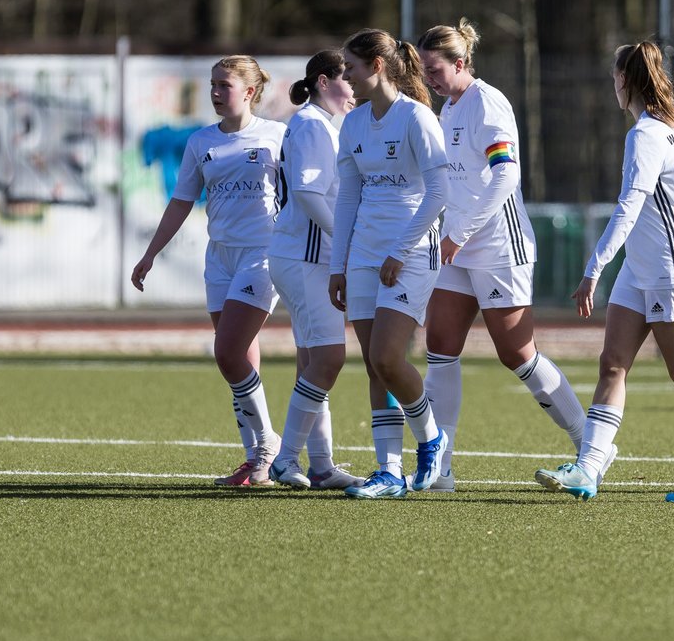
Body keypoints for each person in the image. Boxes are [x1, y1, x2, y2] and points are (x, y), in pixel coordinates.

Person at [535, 41, 674, 503]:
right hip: (640, 266)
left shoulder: (650, 134)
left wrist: (593, 268)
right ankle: (588, 470)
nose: (612, 84)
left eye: (615, 76)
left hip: (670, 270)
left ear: (625, 81)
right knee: (612, 363)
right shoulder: (670, 127)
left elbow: (631, 205)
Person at [416, 19, 593, 492]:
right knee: (440, 350)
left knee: (516, 354)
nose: (428, 78)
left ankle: (589, 444)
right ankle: (441, 468)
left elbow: (505, 177)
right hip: (456, 248)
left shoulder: (486, 102)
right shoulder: (448, 108)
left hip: (498, 247)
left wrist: (462, 232)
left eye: (434, 69)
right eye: (423, 69)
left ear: (460, 63)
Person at [131, 55, 287, 487]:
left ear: (250, 91)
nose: (216, 92)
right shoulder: (201, 141)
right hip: (219, 258)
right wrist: (151, 254)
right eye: (213, 84)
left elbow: (304, 195)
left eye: (225, 85)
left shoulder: (278, 136)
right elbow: (182, 200)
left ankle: (270, 443)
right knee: (238, 357)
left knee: (227, 351)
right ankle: (256, 460)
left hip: (263, 254)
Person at [328, 28, 450, 499]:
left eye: (351, 68)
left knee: (387, 357)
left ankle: (430, 437)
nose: (346, 77)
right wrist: (339, 264)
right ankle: (388, 472)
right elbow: (348, 199)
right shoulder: (354, 124)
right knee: (373, 365)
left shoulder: (417, 119)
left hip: (413, 252)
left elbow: (439, 193)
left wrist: (400, 251)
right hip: (362, 253)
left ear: (377, 66)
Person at [265, 50, 366, 491]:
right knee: (328, 358)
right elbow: (307, 193)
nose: (355, 89)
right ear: (323, 82)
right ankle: (285, 460)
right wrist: (346, 239)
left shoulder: (321, 123)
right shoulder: (310, 124)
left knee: (313, 362)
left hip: (306, 256)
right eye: (349, 78)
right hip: (304, 257)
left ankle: (321, 465)